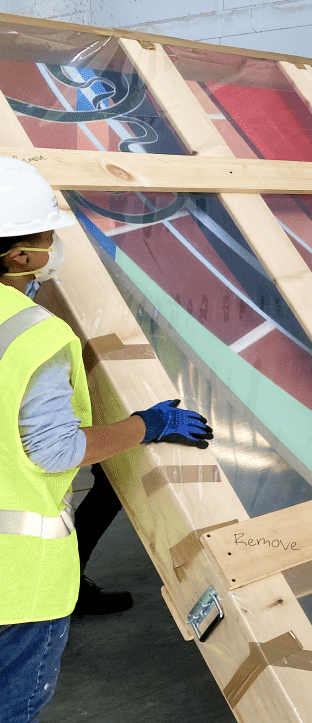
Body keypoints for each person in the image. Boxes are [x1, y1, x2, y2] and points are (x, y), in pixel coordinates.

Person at [0, 157, 213, 723]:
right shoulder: (29, 333)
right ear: (20, 256)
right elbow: (55, 449)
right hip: (13, 585)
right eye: (47, 235)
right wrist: (148, 425)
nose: (53, 244)